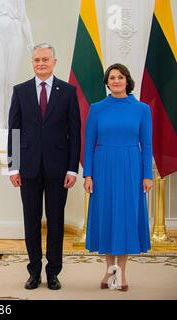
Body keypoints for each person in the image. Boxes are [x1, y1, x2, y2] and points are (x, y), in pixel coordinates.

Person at [8, 43, 81, 290]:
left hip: (59, 170)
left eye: (45, 59)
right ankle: (33, 271)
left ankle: (53, 272)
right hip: (27, 169)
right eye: (37, 60)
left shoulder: (69, 92)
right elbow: (14, 131)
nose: (41, 63)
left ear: (54, 62)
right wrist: (13, 167)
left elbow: (75, 133)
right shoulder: (20, 91)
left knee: (56, 222)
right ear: (32, 62)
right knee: (31, 221)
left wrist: (72, 169)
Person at [83, 63, 153, 292]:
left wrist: (147, 175)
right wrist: (88, 174)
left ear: (127, 80)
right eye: (111, 77)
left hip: (131, 167)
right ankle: (108, 268)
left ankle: (121, 272)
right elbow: (89, 143)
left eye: (120, 77)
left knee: (125, 217)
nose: (115, 81)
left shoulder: (142, 109)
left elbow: (147, 144)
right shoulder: (96, 109)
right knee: (107, 216)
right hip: (103, 167)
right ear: (107, 82)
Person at [0, 0, 34, 129]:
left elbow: (23, 17)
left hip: (15, 33)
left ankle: (9, 119)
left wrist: (31, 42)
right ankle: (0, 121)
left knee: (11, 82)